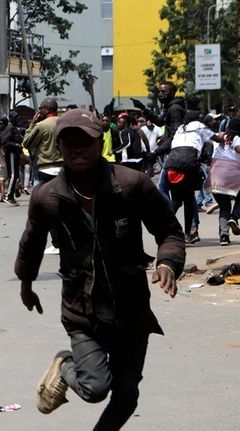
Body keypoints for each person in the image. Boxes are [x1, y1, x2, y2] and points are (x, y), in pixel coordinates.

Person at [15, 109, 186, 430]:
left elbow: (169, 231)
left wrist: (167, 263)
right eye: (70, 143)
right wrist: (27, 284)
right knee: (94, 389)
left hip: (131, 308)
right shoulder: (47, 196)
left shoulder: (132, 185)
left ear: (99, 143)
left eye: (87, 142)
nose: (79, 149)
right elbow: (31, 243)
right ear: (60, 147)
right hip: (82, 311)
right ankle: (66, 363)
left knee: (126, 396)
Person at [163, 111, 221, 244]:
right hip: (188, 160)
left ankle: (166, 229)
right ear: (197, 119)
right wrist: (227, 138)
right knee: (189, 200)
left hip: (171, 162)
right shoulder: (199, 126)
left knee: (176, 200)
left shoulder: (180, 128)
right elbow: (216, 139)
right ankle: (188, 233)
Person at [22, 97, 62, 255]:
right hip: (65, 169)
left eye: (41, 109)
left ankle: (56, 243)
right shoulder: (65, 122)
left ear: (46, 109)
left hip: (46, 170)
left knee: (47, 209)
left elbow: (27, 143)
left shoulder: (41, 125)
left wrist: (32, 123)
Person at [210, 117, 240, 245]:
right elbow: (238, 148)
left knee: (224, 206)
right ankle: (234, 217)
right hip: (230, 175)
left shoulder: (220, 137)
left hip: (215, 177)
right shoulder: (237, 137)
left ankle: (224, 236)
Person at [0, 111, 23, 206]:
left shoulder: (13, 128)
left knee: (14, 175)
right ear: (11, 118)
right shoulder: (10, 128)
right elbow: (5, 142)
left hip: (15, 154)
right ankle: (8, 196)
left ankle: (11, 195)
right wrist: (16, 145)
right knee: (13, 175)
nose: (17, 119)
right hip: (11, 153)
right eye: (15, 117)